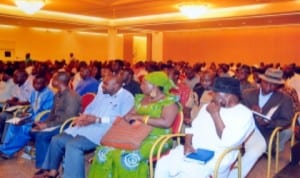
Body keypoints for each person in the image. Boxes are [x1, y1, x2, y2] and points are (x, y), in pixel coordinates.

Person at [34, 75, 134, 178]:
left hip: (104, 130)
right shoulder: (103, 93)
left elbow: (122, 120)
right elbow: (91, 108)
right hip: (87, 125)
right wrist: (83, 117)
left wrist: (97, 119)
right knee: (57, 140)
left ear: (116, 86)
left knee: (73, 145)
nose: (102, 86)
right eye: (103, 83)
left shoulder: (127, 98)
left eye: (105, 84)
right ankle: (52, 172)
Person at [155, 77, 255, 178]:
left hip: (218, 156)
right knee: (163, 164)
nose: (212, 97)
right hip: (194, 151)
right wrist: (187, 143)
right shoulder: (207, 107)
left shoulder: (244, 114)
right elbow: (192, 128)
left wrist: (215, 114)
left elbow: (228, 141)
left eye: (215, 94)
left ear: (227, 96)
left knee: (187, 174)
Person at [88, 71, 179, 178]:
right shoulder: (141, 99)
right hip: (135, 134)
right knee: (103, 152)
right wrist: (131, 119)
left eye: (145, 83)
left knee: (127, 158)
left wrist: (140, 118)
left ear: (155, 85)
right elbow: (128, 116)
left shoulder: (169, 102)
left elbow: (166, 123)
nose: (141, 86)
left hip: (157, 138)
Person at [232, 68, 294, 178]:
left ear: (278, 86)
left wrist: (268, 123)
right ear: (261, 81)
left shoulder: (285, 99)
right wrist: (249, 111)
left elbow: (286, 120)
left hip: (263, 132)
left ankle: (234, 175)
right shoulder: (247, 94)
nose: (268, 87)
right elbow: (237, 110)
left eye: (273, 85)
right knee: (226, 144)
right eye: (266, 83)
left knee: (255, 151)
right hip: (242, 127)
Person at [31, 71, 81, 171]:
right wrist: (44, 123)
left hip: (67, 125)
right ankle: (46, 161)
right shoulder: (58, 94)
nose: (51, 81)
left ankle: (44, 168)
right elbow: (52, 113)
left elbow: (68, 118)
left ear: (59, 81)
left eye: (53, 79)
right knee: (33, 131)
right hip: (57, 123)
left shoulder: (72, 96)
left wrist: (47, 126)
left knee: (42, 135)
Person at [0, 74, 54, 159]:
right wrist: (26, 114)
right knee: (13, 123)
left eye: (39, 83)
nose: (36, 86)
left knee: (24, 128)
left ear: (45, 84)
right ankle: (4, 147)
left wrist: (28, 120)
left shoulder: (49, 94)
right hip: (32, 116)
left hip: (42, 119)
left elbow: (46, 112)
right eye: (35, 83)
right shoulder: (34, 92)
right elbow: (32, 107)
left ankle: (7, 151)